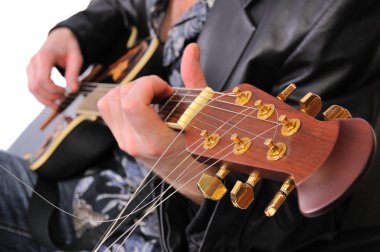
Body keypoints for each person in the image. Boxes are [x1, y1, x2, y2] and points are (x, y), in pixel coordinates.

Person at [0, 0, 379, 251]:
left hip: (157, 234)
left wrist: (187, 172)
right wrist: (72, 33)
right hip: (70, 168)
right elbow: (124, 6)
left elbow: (292, 224)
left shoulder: (335, 11)